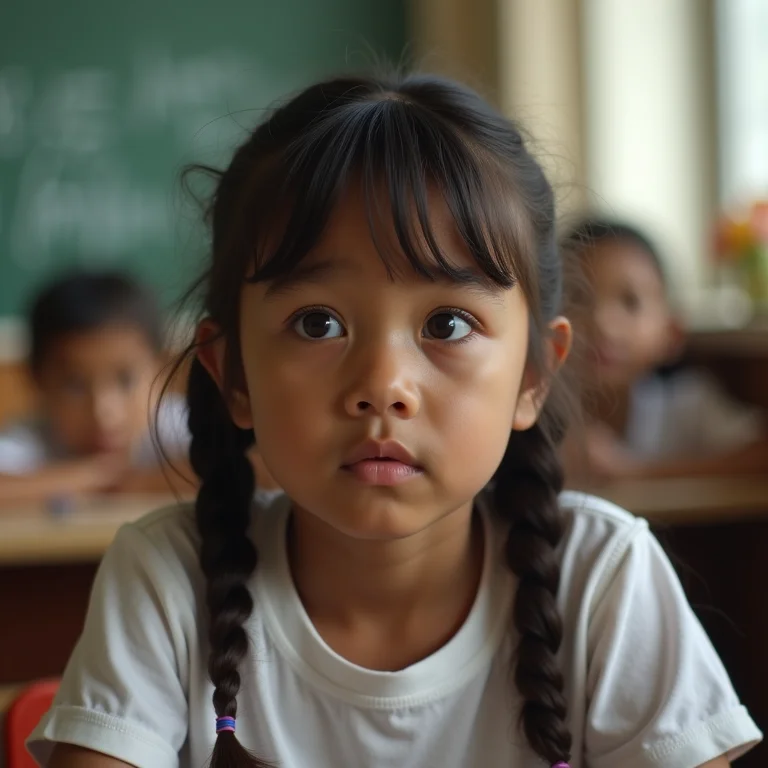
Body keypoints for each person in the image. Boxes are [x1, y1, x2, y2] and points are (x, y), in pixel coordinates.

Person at [29, 75, 760, 768]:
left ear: (535, 373)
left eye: (447, 321)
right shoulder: (169, 579)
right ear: (234, 376)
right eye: (317, 323)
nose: (383, 387)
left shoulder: (603, 579)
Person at [562, 218, 768, 486]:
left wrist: (634, 471)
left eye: (630, 302)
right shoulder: (535, 408)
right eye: (577, 297)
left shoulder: (688, 404)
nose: (603, 322)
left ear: (672, 332)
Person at [0, 270, 192, 505]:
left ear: (161, 370)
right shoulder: (30, 440)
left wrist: (137, 482)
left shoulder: (176, 423)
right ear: (37, 380)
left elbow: (246, 467)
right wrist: (98, 476)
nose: (105, 413)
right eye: (75, 385)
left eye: (126, 380)